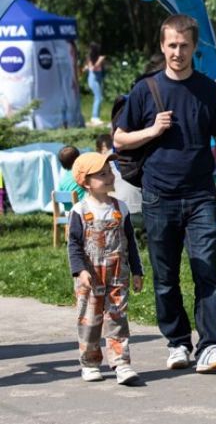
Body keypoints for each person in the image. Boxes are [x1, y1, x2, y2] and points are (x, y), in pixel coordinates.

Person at [113, 14, 216, 374]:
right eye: (172, 45)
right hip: (158, 196)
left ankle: (210, 345)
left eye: (184, 45)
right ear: (162, 46)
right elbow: (119, 139)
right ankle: (177, 342)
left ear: (194, 48)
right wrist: (151, 130)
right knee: (165, 276)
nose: (178, 52)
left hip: (201, 195)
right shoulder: (145, 90)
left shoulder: (208, 90)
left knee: (206, 270)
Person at [67, 152, 143, 385]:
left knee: (117, 318)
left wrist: (137, 271)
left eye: (110, 172)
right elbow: (74, 246)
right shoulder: (79, 211)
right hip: (90, 276)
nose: (109, 177)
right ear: (85, 182)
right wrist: (80, 271)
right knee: (90, 321)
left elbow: (130, 241)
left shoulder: (121, 207)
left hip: (118, 274)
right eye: (102, 174)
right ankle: (89, 363)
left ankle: (121, 363)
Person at [56, 145, 86, 211]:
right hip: (83, 211)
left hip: (68, 213)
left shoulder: (62, 180)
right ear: (78, 159)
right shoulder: (81, 175)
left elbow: (58, 197)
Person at [84, 42, 106, 126]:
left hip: (98, 78)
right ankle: (95, 117)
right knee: (98, 98)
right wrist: (100, 60)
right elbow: (93, 68)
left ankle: (96, 116)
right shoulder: (91, 58)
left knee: (99, 98)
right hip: (93, 79)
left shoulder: (96, 57)